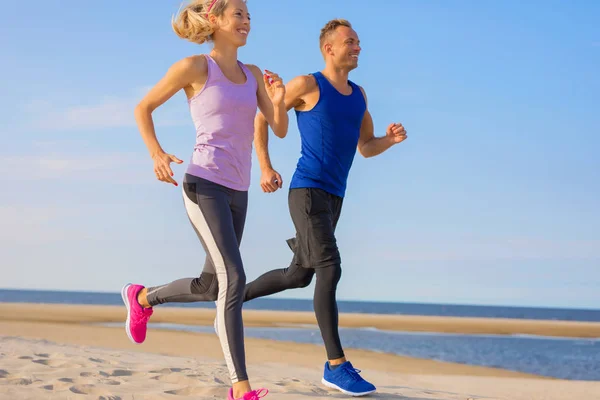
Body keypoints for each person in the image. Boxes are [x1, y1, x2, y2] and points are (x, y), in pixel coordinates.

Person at [121, 1, 286, 399]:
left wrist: (277, 98)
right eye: (238, 14)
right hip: (203, 184)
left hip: (238, 190)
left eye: (249, 15)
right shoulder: (195, 67)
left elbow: (277, 128)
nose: (246, 21)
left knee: (211, 284)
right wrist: (157, 153)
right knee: (235, 277)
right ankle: (240, 387)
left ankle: (141, 297)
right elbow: (143, 108)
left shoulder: (251, 74)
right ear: (215, 20)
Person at [242, 19, 408, 397]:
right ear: (329, 49)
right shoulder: (307, 84)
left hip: (334, 198)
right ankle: (336, 365)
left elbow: (366, 146)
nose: (358, 48)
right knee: (330, 267)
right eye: (351, 42)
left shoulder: (360, 96)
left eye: (359, 42)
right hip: (307, 191)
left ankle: (233, 300)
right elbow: (262, 116)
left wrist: (389, 141)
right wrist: (265, 166)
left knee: (299, 275)